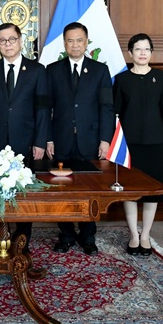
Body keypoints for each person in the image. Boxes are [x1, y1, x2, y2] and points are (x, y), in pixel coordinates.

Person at [0, 22, 48, 249]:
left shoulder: (37, 70)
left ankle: (23, 235)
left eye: (12, 39)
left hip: (25, 141)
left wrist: (40, 142)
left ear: (20, 40)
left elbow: (42, 110)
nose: (7, 44)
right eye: (2, 41)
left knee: (23, 190)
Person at [46, 22, 115, 255]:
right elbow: (45, 108)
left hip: (90, 140)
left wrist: (105, 139)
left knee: (89, 189)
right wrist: (48, 138)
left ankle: (88, 237)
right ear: (64, 43)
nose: (74, 45)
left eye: (79, 40)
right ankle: (66, 235)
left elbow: (107, 107)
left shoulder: (100, 70)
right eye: (70, 40)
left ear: (86, 43)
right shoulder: (52, 70)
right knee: (62, 189)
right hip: (61, 140)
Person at [112, 33, 163, 256]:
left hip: (156, 143)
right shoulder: (122, 80)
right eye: (138, 49)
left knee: (153, 191)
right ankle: (133, 234)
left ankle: (146, 234)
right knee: (130, 191)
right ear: (130, 53)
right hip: (129, 146)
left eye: (146, 49)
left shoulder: (161, 78)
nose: (142, 53)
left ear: (151, 52)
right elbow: (116, 114)